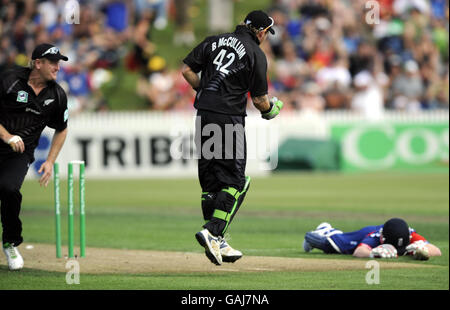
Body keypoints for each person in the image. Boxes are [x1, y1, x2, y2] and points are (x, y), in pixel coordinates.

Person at [182, 10, 283, 265]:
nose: (266, 37)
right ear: (260, 32)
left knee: (211, 185)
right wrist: (272, 110)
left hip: (204, 115)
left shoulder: (213, 41)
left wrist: (204, 89)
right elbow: (260, 100)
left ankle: (219, 239)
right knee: (238, 183)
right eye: (266, 33)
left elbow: (187, 71)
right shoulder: (256, 54)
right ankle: (213, 231)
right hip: (229, 119)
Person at [0, 43, 69, 270]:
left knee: (10, 189)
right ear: (38, 63)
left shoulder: (57, 95)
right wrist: (8, 136)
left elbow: (62, 128)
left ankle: (10, 242)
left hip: (18, 153)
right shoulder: (9, 79)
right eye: (53, 62)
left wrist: (50, 161)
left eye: (59, 63)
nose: (57, 67)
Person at [303, 218, 442, 260]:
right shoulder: (375, 236)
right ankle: (326, 230)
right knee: (326, 245)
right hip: (362, 236)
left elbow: (437, 250)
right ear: (382, 238)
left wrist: (423, 249)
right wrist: (373, 253)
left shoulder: (410, 235)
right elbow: (359, 251)